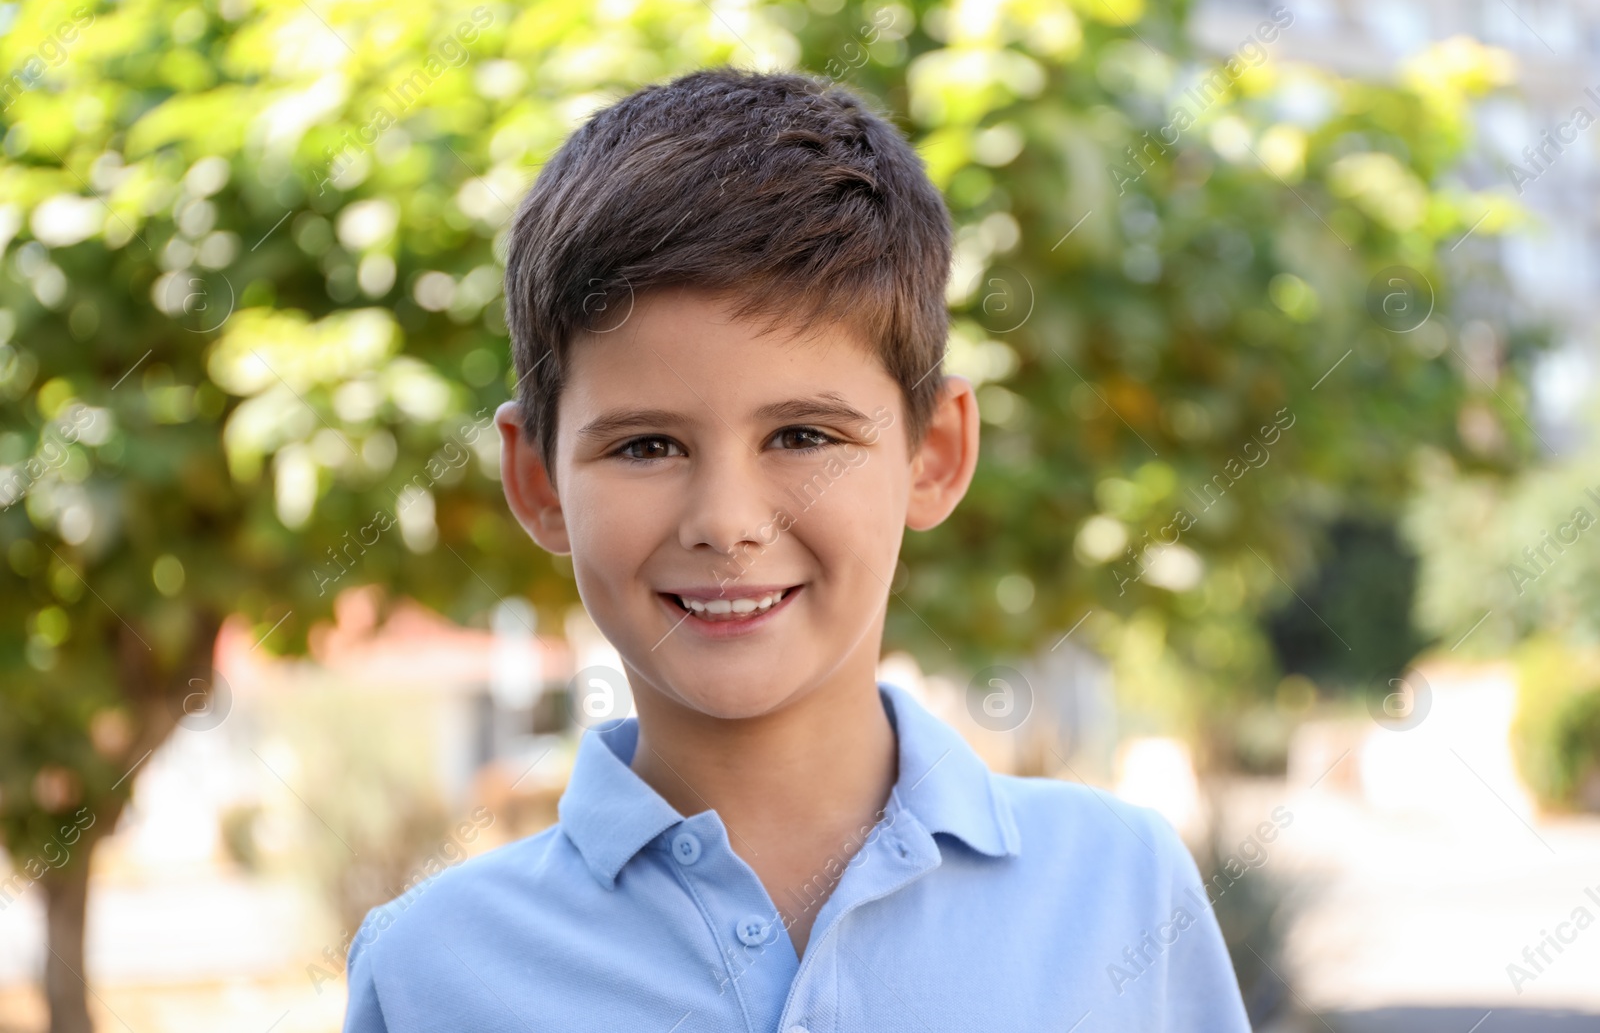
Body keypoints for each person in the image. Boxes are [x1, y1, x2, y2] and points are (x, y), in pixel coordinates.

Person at [341, 66, 1251, 1032]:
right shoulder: (433, 971)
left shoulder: (1118, 889)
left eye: (804, 437)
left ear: (934, 453)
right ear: (536, 483)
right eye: (646, 445)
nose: (728, 521)